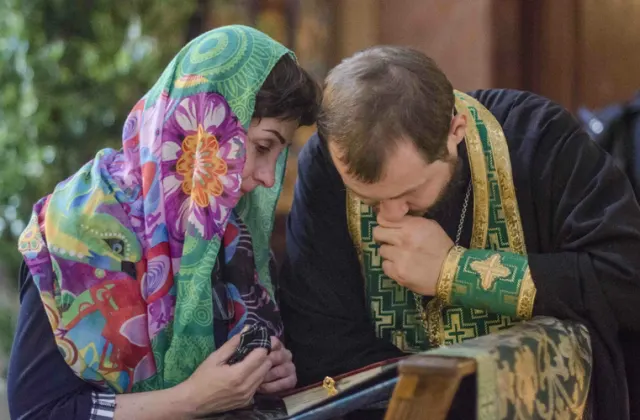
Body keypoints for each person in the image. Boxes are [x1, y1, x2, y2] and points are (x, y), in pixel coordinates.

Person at [280, 46, 640, 419]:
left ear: (456, 130)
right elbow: (320, 340)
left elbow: (626, 281)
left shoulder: (537, 137)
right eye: (367, 201)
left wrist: (456, 271)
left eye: (409, 194)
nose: (390, 217)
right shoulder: (326, 166)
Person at [8, 25, 319, 420]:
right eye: (262, 147)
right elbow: (37, 412)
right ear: (203, 129)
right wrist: (190, 401)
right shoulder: (76, 234)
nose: (269, 178)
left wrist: (270, 374)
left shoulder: (231, 236)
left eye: (279, 153)